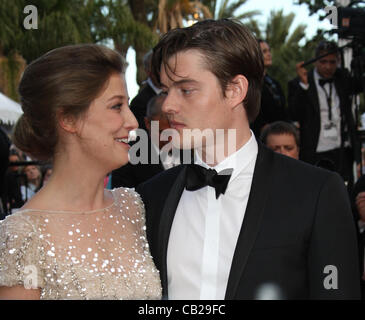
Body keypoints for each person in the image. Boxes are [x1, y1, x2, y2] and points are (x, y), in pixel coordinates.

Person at [136, 19, 361, 300]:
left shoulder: (317, 192)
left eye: (186, 90)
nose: (168, 105)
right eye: (167, 90)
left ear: (234, 91)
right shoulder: (151, 196)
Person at [0, 44, 161, 300]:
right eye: (116, 106)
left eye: (128, 105)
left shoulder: (132, 207)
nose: (132, 121)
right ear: (68, 119)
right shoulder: (24, 236)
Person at [288, 40, 362, 188]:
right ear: (315, 61)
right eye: (323, 62)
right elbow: (293, 113)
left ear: (338, 62)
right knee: (315, 191)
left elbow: (359, 84)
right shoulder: (299, 83)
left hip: (342, 149)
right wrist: (304, 85)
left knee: (343, 191)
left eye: (332, 62)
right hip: (315, 149)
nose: (328, 66)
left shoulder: (343, 78)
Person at [112, 94, 180, 188]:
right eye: (161, 132)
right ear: (147, 123)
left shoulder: (191, 150)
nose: (169, 139)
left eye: (174, 132)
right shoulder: (127, 159)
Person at [250, 40, 288, 137]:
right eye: (264, 51)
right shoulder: (249, 83)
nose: (269, 54)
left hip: (280, 134)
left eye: (269, 51)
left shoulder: (274, 83)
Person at [129, 50, 162, 132]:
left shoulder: (173, 93)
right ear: (148, 71)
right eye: (156, 67)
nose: (160, 71)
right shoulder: (138, 103)